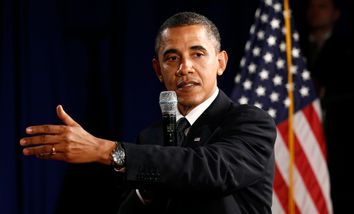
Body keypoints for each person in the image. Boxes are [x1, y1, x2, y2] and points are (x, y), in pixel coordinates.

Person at [20, 12, 277, 214]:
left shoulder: (251, 123)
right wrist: (149, 192)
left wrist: (107, 150)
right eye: (172, 58)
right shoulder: (150, 137)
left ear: (220, 62)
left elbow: (211, 170)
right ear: (158, 70)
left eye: (198, 54)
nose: (185, 68)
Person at [302, 0, 354, 212]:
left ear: (336, 13)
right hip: (300, 135)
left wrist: (324, 92)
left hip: (339, 137)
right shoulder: (293, 48)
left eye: (322, 7)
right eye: (312, 6)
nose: (315, 12)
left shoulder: (348, 49)